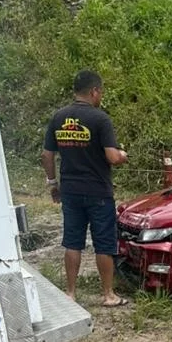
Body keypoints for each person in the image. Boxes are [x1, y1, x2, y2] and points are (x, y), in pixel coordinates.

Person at [41, 70, 129, 307]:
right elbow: (111, 156)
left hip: (70, 191)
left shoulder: (59, 117)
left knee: (72, 241)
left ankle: (70, 293)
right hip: (98, 191)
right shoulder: (100, 119)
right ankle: (108, 294)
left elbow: (47, 155)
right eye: (100, 92)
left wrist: (53, 184)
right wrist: (122, 155)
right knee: (104, 243)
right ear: (94, 91)